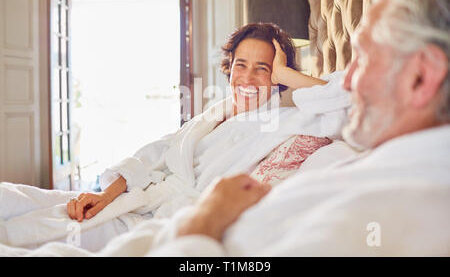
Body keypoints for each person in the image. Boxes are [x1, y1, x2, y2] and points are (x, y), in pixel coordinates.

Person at [0, 23, 354, 252]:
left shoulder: (290, 118)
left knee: (30, 234)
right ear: (229, 67)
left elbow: (351, 99)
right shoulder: (215, 113)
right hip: (136, 202)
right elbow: (159, 152)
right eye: (241, 64)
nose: (247, 77)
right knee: (12, 198)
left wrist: (284, 74)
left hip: (163, 220)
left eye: (263, 68)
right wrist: (106, 194)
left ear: (280, 76)